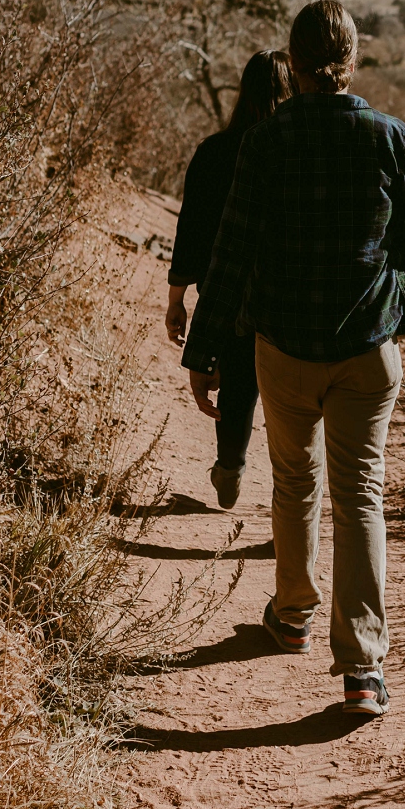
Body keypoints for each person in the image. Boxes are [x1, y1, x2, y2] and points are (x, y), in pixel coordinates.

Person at [180, 0, 405, 717]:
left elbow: (230, 252)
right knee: (359, 494)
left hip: (283, 344)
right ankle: (363, 669)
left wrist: (203, 351)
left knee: (295, 480)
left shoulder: (264, 142)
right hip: (367, 347)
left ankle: (292, 616)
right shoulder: (390, 137)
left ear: (291, 63)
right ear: (351, 60)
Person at [167, 49, 295, 511]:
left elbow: (191, 230)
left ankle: (229, 467)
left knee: (237, 381)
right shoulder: (292, 154)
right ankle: (291, 493)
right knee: (290, 399)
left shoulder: (214, 152)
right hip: (282, 292)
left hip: (225, 291)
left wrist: (176, 298)